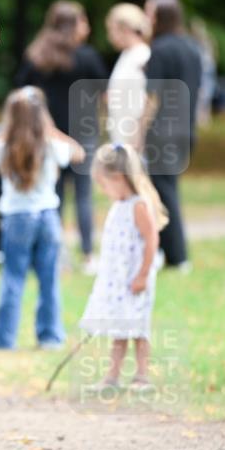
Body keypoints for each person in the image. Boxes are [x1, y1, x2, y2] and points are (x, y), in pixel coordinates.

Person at [0, 87, 85, 350]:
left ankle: (3, 339)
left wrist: (7, 132)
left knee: (13, 278)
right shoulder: (51, 146)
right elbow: (78, 153)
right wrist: (51, 130)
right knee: (49, 279)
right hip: (47, 217)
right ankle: (50, 337)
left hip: (17, 218)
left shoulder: (4, 146)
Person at [14, 0, 107, 275]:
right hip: (83, 135)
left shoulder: (36, 56)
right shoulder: (87, 57)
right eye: (83, 21)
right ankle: (89, 255)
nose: (87, 28)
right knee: (83, 196)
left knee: (51, 196)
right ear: (73, 25)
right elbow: (103, 93)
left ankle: (53, 254)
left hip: (47, 135)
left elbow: (23, 94)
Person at [80, 143, 168, 394]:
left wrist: (142, 275)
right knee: (119, 329)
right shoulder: (118, 205)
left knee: (138, 328)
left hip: (135, 281)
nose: (102, 190)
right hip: (118, 282)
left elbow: (152, 240)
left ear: (118, 178)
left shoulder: (138, 206)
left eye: (103, 183)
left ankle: (142, 376)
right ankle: (112, 376)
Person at [142, 0, 202, 270]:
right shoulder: (193, 48)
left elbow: (152, 98)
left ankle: (178, 257)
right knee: (165, 189)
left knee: (164, 193)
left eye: (149, 13)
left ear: (158, 17)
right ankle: (166, 252)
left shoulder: (161, 49)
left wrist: (139, 132)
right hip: (186, 129)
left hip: (162, 131)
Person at [105, 3, 152, 151]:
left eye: (111, 30)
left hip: (134, 138)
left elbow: (149, 99)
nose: (109, 36)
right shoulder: (127, 55)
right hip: (122, 135)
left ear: (124, 29)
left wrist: (139, 135)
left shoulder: (143, 56)